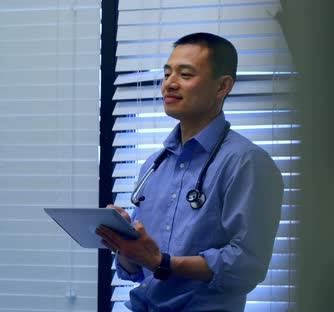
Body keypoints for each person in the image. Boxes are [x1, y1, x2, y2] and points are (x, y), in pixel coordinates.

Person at [96, 33, 284, 311]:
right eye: (167, 73)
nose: (169, 84)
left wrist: (161, 262)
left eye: (185, 74)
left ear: (222, 86)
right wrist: (126, 247)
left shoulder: (247, 162)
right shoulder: (154, 165)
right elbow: (135, 270)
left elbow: (246, 265)